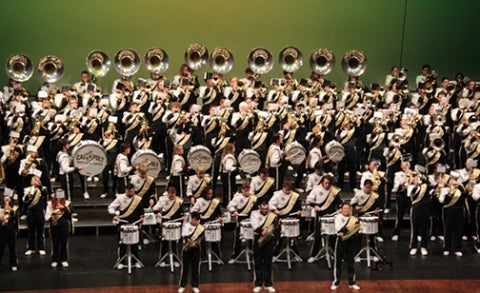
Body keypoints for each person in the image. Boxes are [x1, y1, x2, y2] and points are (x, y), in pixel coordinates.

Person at [108, 183, 144, 269]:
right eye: (128, 191)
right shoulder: (120, 198)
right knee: (122, 243)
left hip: (134, 223)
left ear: (134, 190)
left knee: (135, 243)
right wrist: (115, 214)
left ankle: (136, 261)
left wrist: (142, 217)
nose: (130, 193)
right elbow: (110, 207)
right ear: (125, 190)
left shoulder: (137, 199)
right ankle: (121, 261)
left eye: (131, 191)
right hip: (123, 223)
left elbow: (141, 211)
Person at [306, 175, 342, 262]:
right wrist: (315, 206)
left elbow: (339, 202)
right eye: (326, 183)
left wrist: (340, 207)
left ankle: (335, 254)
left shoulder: (334, 190)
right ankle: (313, 255)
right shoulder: (316, 189)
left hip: (332, 216)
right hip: (320, 216)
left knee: (333, 236)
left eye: (329, 183)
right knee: (318, 235)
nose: (327, 185)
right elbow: (308, 200)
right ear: (322, 182)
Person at [331, 202, 360, 291]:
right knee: (338, 263)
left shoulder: (354, 219)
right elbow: (338, 229)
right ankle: (336, 281)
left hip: (350, 242)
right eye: (345, 208)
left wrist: (353, 231)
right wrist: (347, 229)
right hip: (340, 241)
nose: (346, 210)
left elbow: (357, 229)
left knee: (350, 262)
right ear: (341, 209)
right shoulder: (337, 218)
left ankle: (352, 282)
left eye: (348, 208)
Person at [227, 182, 257, 263]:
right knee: (238, 238)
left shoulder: (253, 198)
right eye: (245, 191)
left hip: (251, 219)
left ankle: (254, 255)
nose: (247, 192)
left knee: (253, 238)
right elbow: (230, 206)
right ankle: (234, 256)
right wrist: (234, 211)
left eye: (248, 191)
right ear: (242, 190)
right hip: (241, 219)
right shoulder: (237, 198)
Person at [153, 186, 184, 267]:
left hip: (175, 224)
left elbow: (181, 212)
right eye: (170, 195)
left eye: (173, 195)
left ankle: (175, 260)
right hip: (165, 223)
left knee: (174, 242)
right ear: (168, 193)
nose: (172, 197)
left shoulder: (179, 201)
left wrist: (182, 216)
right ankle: (162, 260)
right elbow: (155, 208)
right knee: (164, 242)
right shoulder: (162, 199)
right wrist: (158, 213)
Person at [251, 201, 277, 293]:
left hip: (269, 240)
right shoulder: (254, 214)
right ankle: (258, 284)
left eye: (266, 209)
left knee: (268, 263)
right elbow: (254, 225)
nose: (265, 211)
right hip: (258, 239)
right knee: (257, 262)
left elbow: (274, 228)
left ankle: (268, 284)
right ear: (260, 207)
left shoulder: (272, 216)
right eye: (263, 209)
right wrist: (261, 230)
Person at [45, 189, 73, 268]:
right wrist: (52, 215)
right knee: (55, 243)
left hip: (64, 225)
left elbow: (71, 211)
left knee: (64, 243)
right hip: (54, 225)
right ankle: (55, 259)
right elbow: (47, 215)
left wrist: (63, 208)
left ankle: (64, 259)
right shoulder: (50, 203)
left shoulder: (67, 203)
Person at [178, 211, 204, 293]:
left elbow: (201, 237)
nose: (197, 222)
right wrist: (188, 240)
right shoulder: (186, 225)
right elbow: (185, 235)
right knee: (185, 268)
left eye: (198, 220)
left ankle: (195, 286)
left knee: (196, 268)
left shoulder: (200, 227)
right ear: (192, 218)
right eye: (195, 220)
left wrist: (197, 243)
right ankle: (182, 285)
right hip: (187, 249)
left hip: (196, 250)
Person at [23, 175, 48, 256]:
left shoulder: (43, 188)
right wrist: (28, 196)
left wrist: (39, 185)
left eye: (37, 180)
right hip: (31, 212)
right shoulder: (27, 189)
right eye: (34, 180)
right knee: (31, 231)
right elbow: (25, 200)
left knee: (41, 231)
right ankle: (31, 248)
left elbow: (45, 193)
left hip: (40, 212)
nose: (35, 181)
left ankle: (41, 248)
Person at [0, 194, 19, 271]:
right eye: (5, 198)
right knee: (0, 247)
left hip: (10, 228)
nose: (7, 200)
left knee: (12, 247)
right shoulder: (0, 207)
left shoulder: (14, 207)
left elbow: (14, 215)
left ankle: (13, 263)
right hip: (1, 229)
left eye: (8, 198)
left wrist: (10, 210)